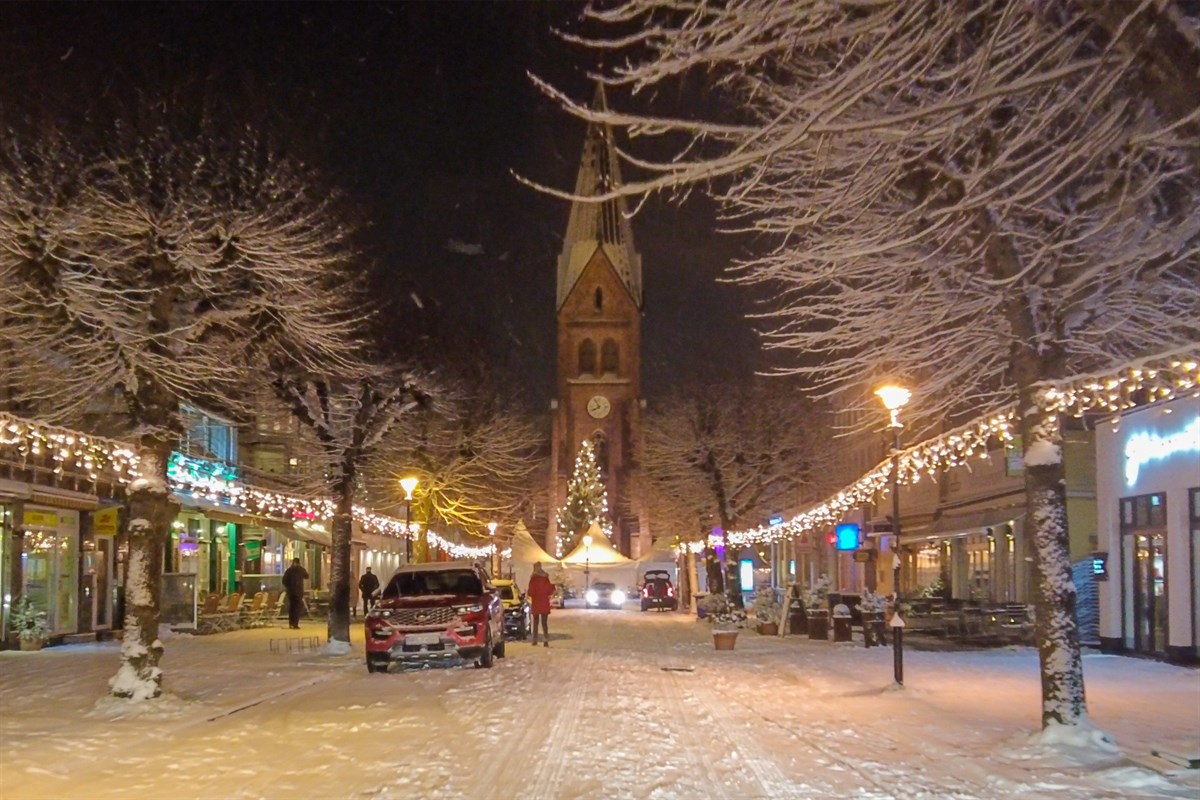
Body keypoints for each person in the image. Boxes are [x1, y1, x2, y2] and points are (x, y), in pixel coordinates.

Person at [526, 562, 555, 647]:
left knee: (535, 622)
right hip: (544, 602)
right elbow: (549, 590)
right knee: (544, 622)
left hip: (536, 602)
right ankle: (545, 640)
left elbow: (530, 592)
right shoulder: (545, 578)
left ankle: (535, 640)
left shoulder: (533, 579)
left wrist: (533, 593)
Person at [282, 557, 309, 629]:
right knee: (297, 608)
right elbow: (307, 576)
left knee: (292, 607)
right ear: (299, 562)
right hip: (299, 591)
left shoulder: (289, 570)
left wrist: (289, 587)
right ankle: (295, 624)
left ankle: (291, 623)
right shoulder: (301, 570)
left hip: (291, 592)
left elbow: (284, 581)